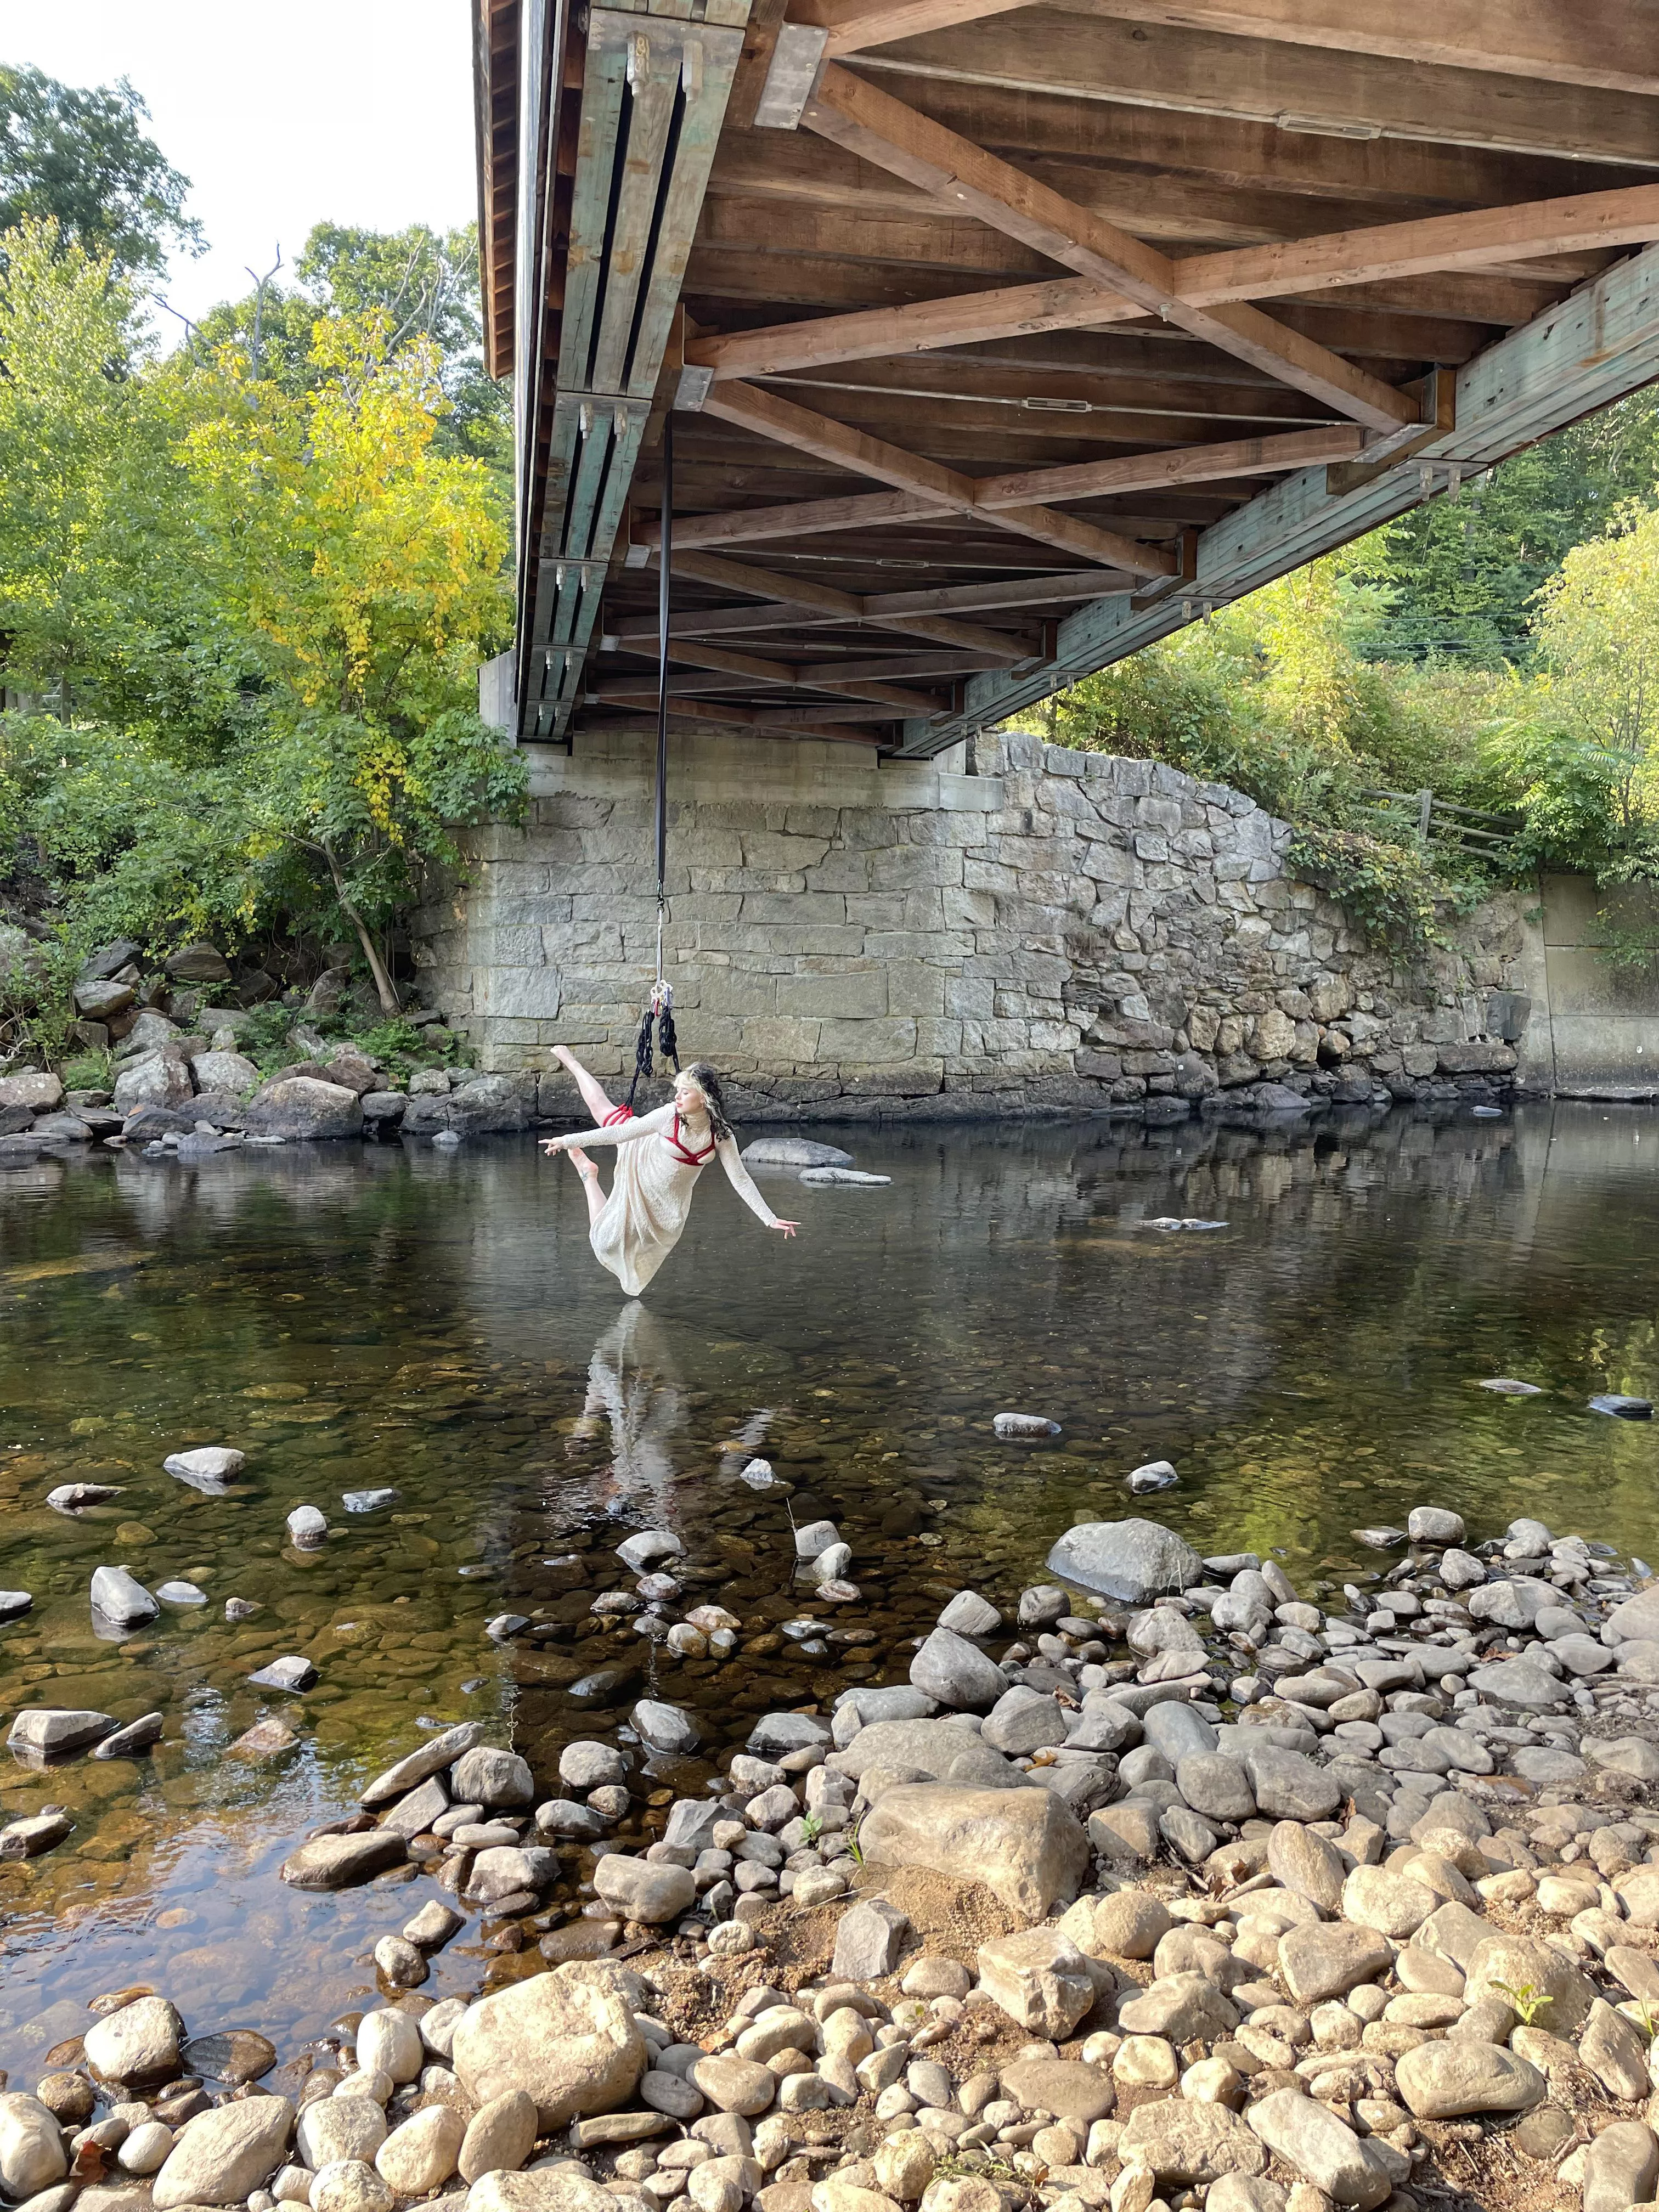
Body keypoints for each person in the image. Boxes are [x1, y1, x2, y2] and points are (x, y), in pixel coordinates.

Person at [542, 1046, 799, 1296]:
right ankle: (573, 1066)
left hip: (668, 1205)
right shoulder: (669, 1115)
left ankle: (588, 1172)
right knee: (605, 1241)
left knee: (637, 1249)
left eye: (685, 1092)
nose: (677, 1097)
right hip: (640, 1160)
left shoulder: (720, 1134)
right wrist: (567, 1141)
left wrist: (769, 1218)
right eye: (677, 1091)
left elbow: (740, 1179)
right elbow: (619, 1134)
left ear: (703, 1098)